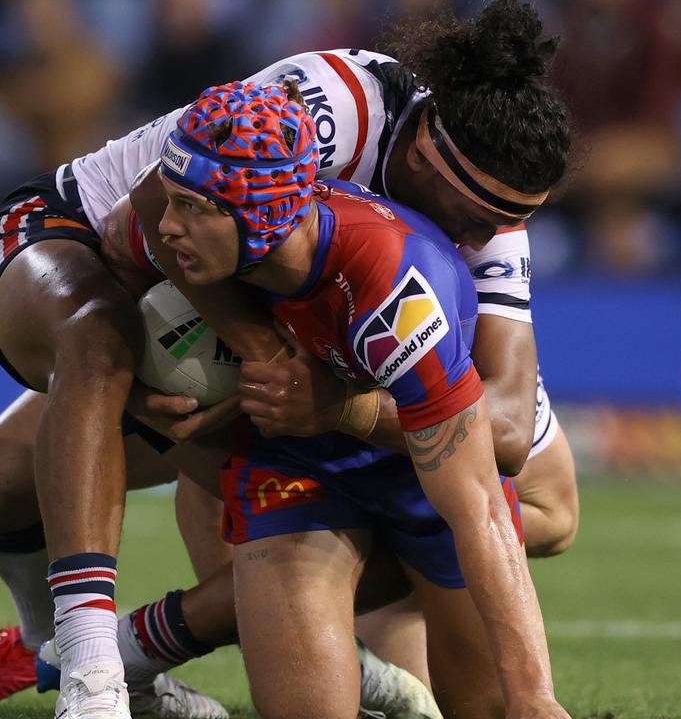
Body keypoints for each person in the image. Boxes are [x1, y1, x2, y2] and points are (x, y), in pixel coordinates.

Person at [0, 0, 577, 715]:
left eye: (508, 224)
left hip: (315, 385)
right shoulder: (320, 115)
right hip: (99, 250)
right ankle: (89, 664)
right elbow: (159, 212)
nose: (484, 241)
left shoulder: (444, 249)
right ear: (422, 157)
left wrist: (335, 403)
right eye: (478, 218)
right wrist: (260, 351)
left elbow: (494, 441)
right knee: (21, 454)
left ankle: (155, 648)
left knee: (544, 507)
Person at [142, 78, 568, 719]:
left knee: (493, 709)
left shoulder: (393, 288)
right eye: (170, 201)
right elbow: (139, 232)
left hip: (419, 475)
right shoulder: (188, 229)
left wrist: (535, 697)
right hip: (297, 464)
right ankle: (101, 653)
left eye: (192, 208)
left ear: (261, 214)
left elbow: (477, 503)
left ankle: (122, 650)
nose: (166, 225)